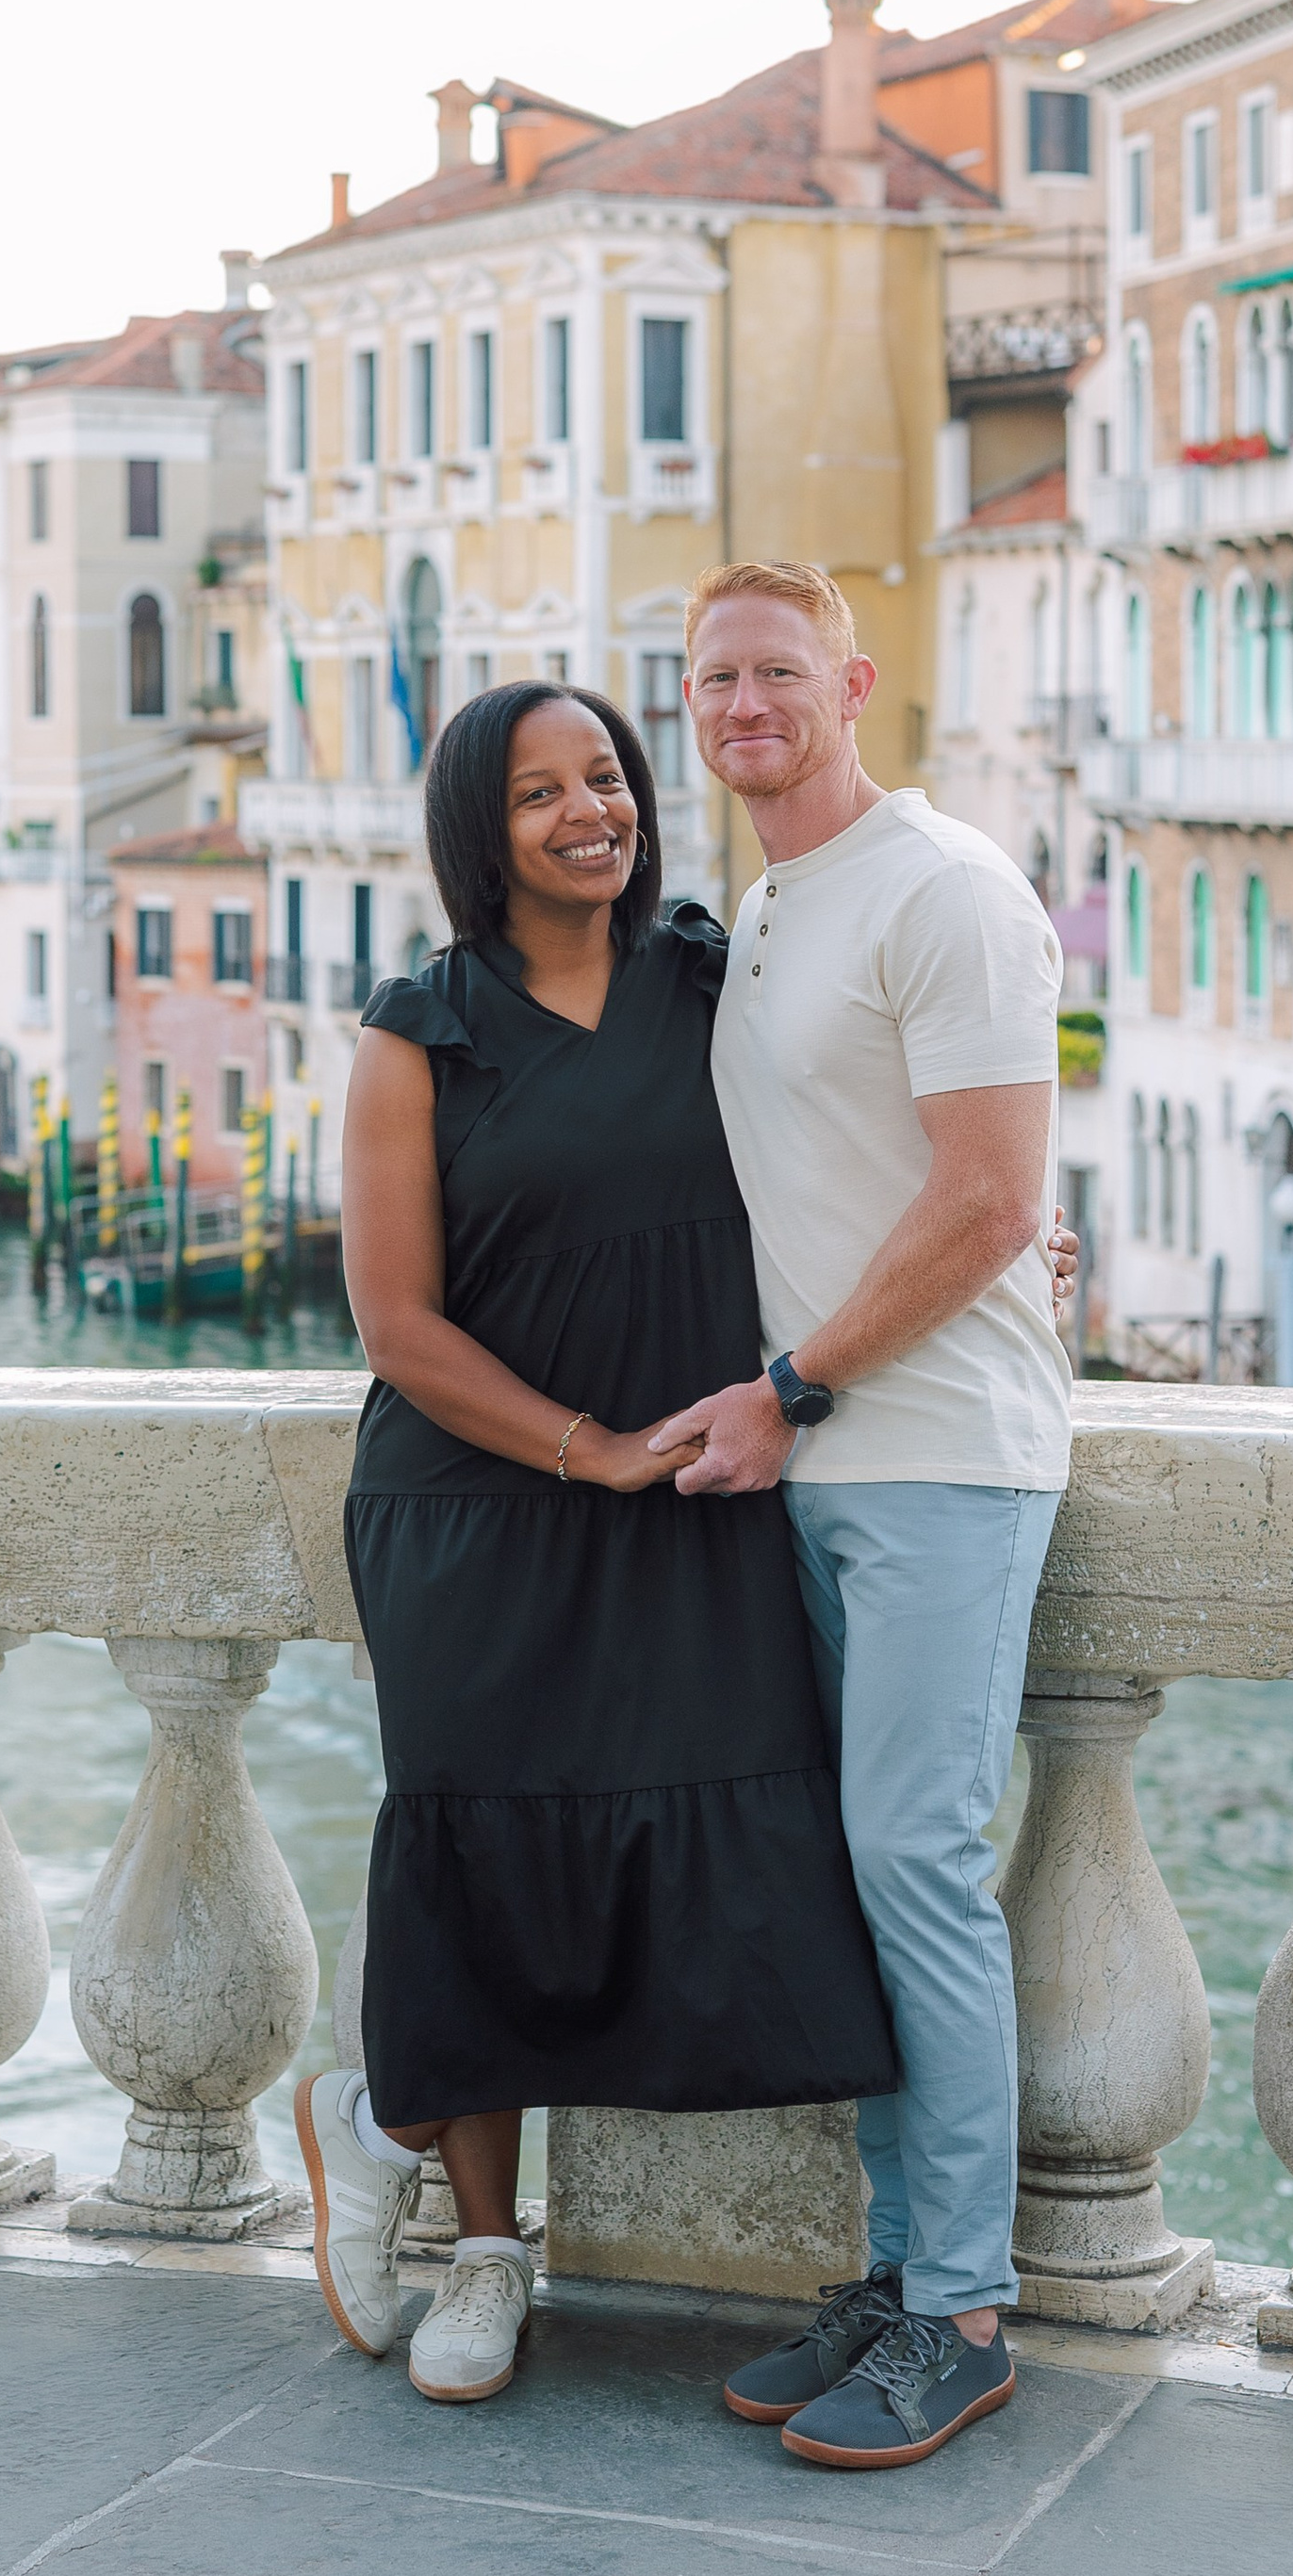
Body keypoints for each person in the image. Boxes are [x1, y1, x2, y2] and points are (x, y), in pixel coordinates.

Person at [295, 679, 901, 2405]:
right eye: (544, 791)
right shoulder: (421, 1034)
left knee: (698, 1875)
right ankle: (486, 2252)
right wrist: (587, 1450)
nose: (592, 810)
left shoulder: (716, 980)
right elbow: (396, 1324)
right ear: (479, 833)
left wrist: (1024, 1244)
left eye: (612, 777)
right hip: (481, 1507)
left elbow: (865, 1145)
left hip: (691, 1492)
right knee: (485, 1860)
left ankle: (378, 2111)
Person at [651, 560, 1072, 2474]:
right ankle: (899, 2271)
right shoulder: (763, 903)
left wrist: (796, 1385)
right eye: (712, 676)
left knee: (914, 1858)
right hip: (817, 1458)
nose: (745, 702)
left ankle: (966, 2313)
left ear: (851, 680)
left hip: (932, 1452)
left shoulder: (946, 887)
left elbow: (988, 1199)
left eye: (776, 670)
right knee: (857, 1872)